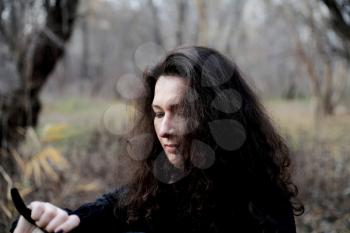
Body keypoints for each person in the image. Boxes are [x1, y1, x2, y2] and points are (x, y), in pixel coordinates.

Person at [11, 46, 304, 233]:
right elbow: (87, 218)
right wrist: (42, 218)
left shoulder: (263, 207)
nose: (163, 128)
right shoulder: (155, 191)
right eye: (158, 112)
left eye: (181, 111)